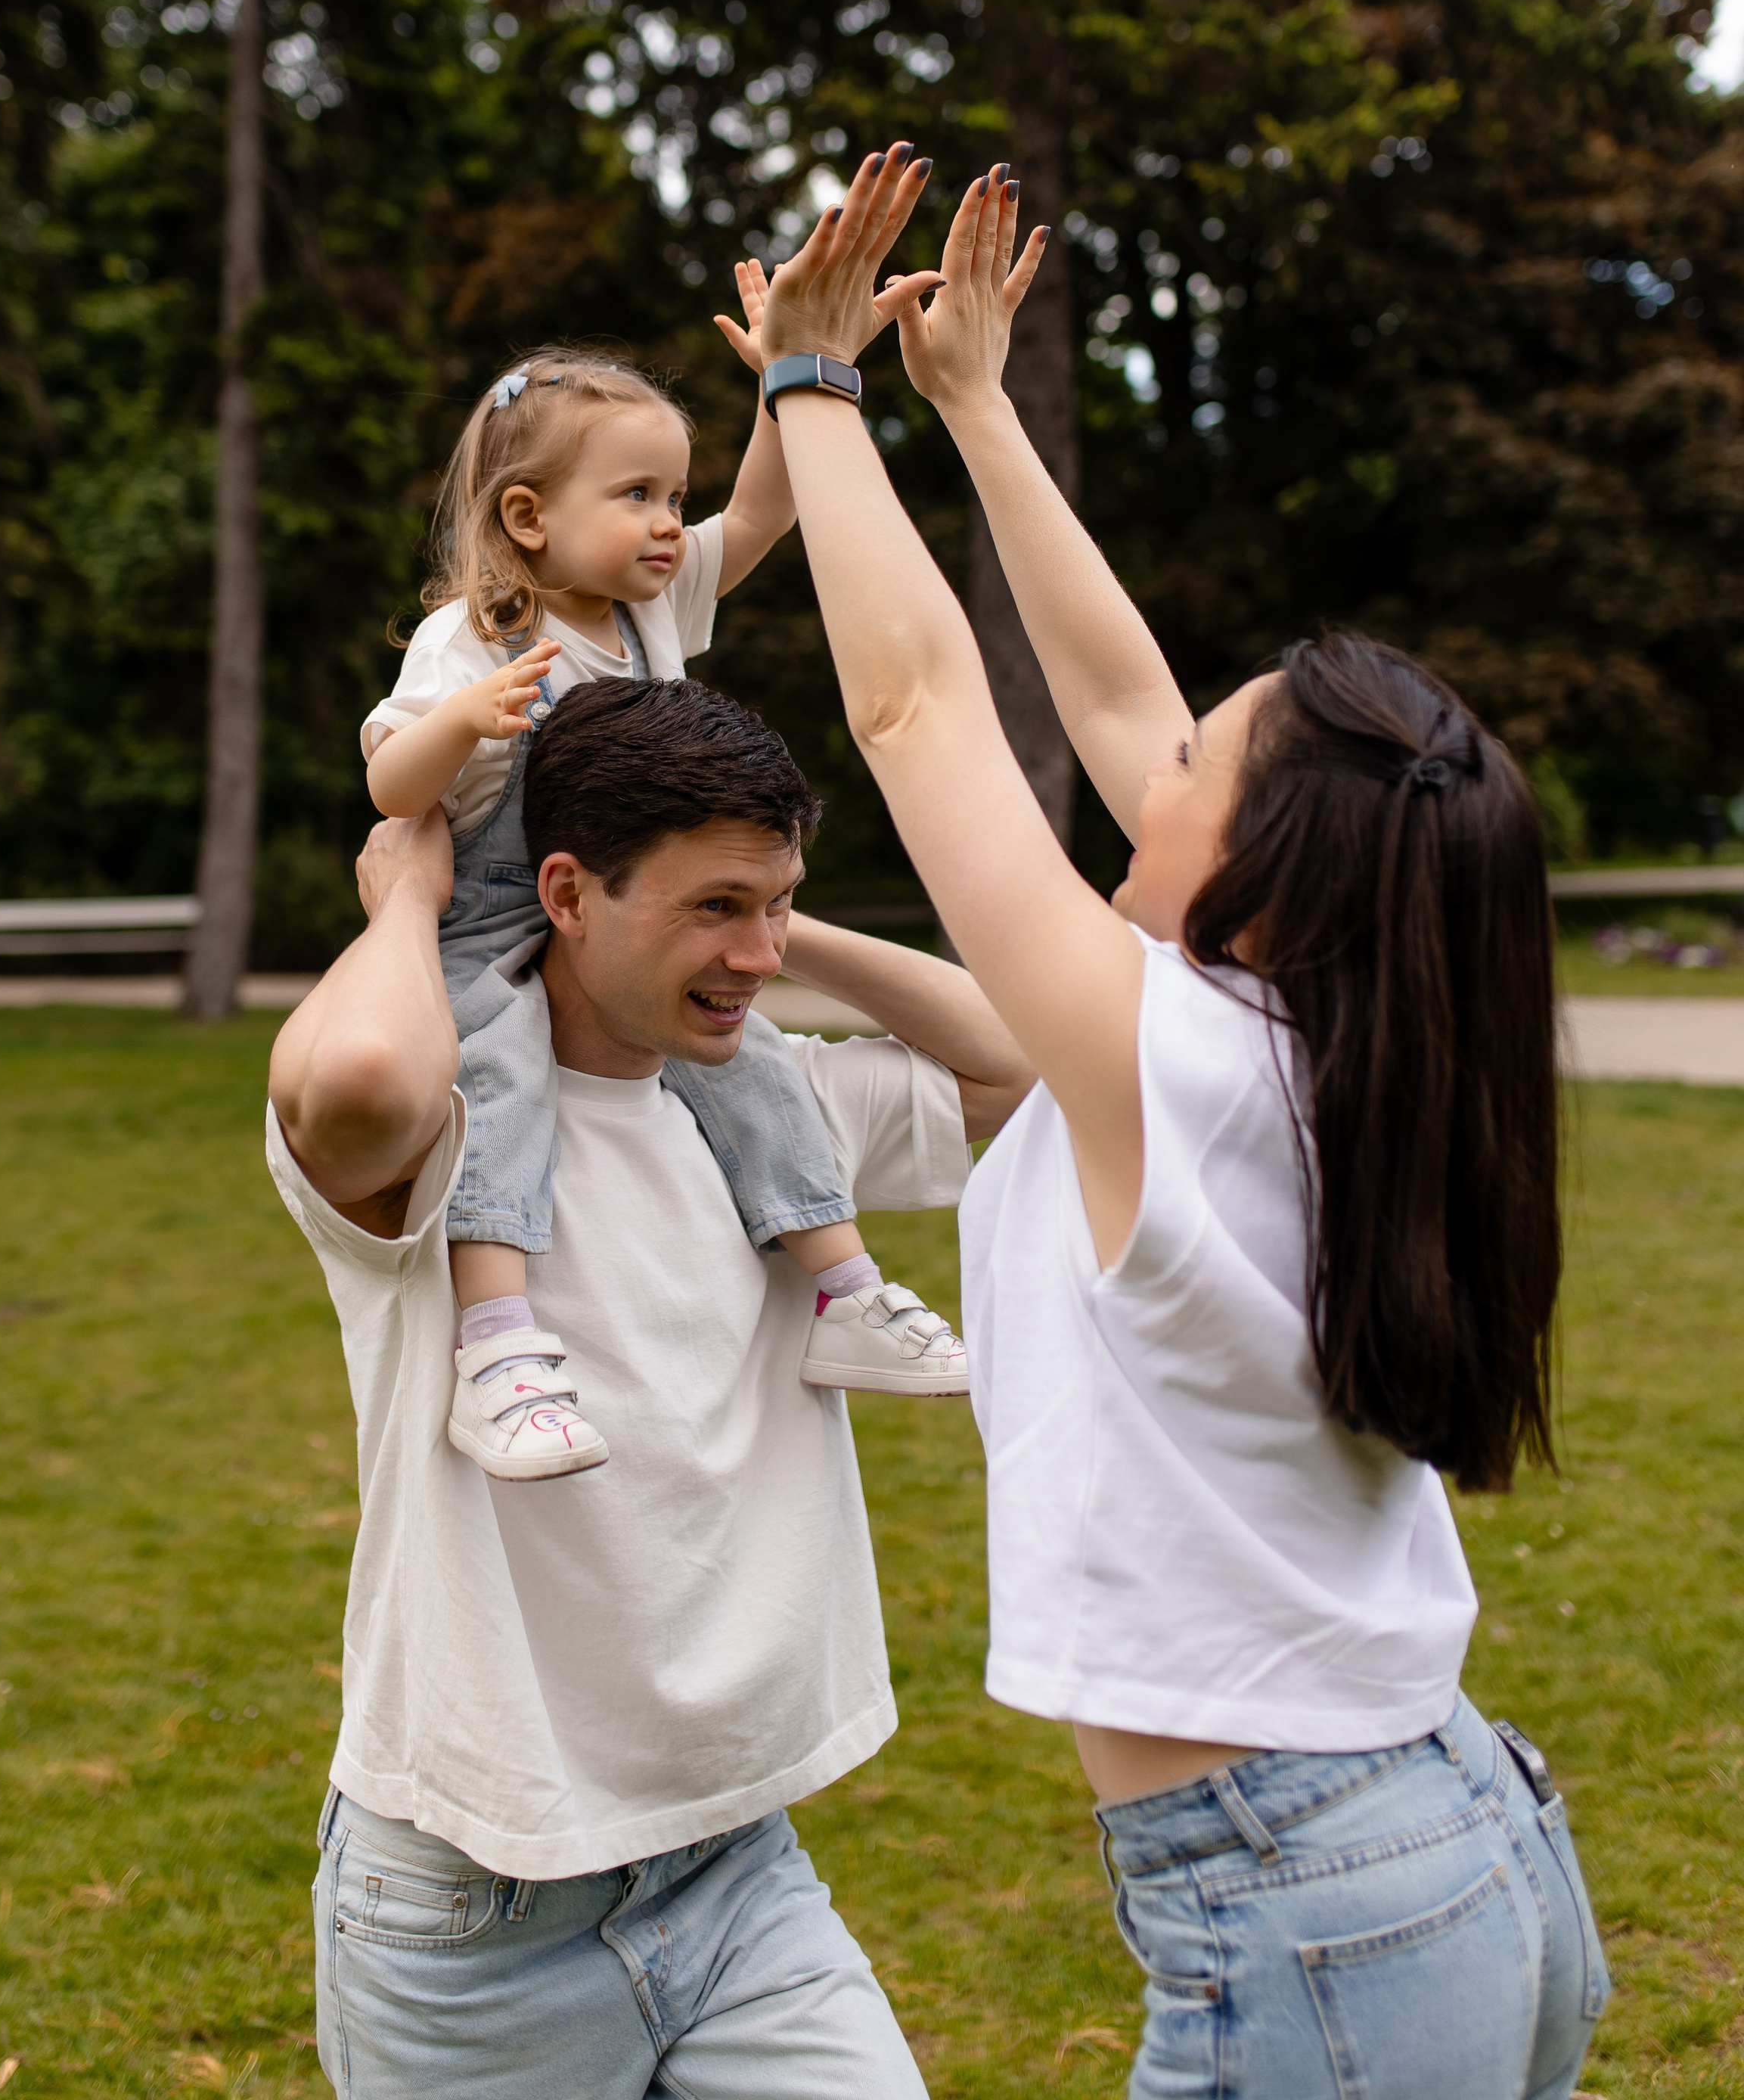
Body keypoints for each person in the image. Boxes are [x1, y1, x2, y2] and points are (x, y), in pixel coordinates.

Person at [752, 146, 1610, 2099]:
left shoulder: (1179, 1055)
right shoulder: (1343, 1053)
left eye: (1206, 766)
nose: (1156, 767)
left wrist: (816, 391)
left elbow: (915, 715)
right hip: (1464, 1841)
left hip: (1309, 1917)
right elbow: (1124, 692)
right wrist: (971, 406)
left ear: (1274, 867)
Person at [266, 675, 1034, 2098]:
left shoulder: (770, 1112)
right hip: (476, 1914)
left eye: (775, 901)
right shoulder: (442, 1146)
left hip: (740, 1874)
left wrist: (766, 929)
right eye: (711, 909)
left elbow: (1018, 1058)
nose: (755, 953)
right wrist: (409, 902)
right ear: (563, 889)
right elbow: (359, 1082)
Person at [358, 338, 967, 1479]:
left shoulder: (651, 605)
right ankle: (495, 1348)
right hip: (498, 918)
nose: (668, 524)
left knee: (757, 1061)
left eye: (673, 496)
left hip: (629, 926)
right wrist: (464, 720)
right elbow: (393, 792)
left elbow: (763, 514)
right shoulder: (474, 641)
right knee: (496, 1079)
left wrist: (802, 364)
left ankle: (846, 1288)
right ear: (529, 517)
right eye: (637, 495)